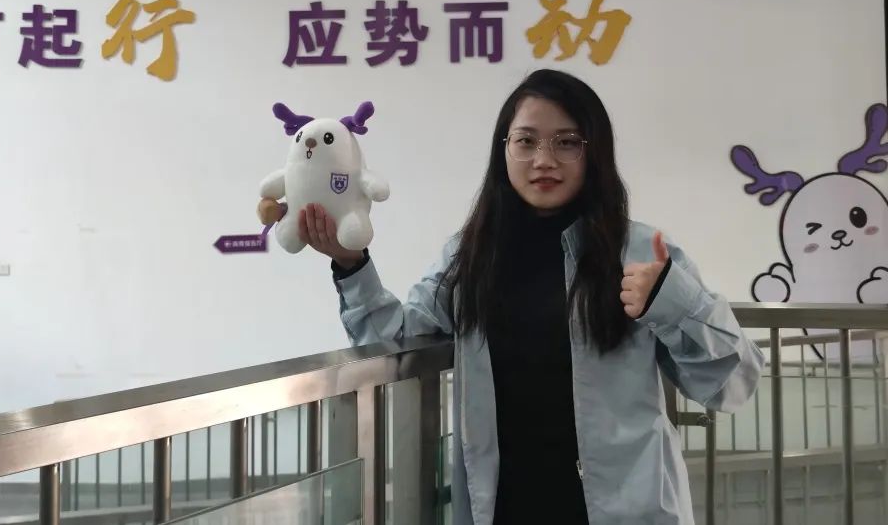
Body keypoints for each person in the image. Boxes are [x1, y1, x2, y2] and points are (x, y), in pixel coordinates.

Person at [265, 69, 764, 525]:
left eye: (566, 142)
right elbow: (397, 339)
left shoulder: (639, 251)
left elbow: (733, 381)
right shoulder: (470, 256)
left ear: (594, 152)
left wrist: (674, 302)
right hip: (505, 510)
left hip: (626, 512)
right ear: (504, 151)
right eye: (526, 141)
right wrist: (351, 263)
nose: (544, 160)